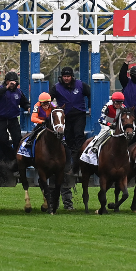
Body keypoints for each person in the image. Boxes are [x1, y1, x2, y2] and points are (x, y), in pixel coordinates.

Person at [48, 66, 91, 211]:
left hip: (79, 114)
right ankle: (69, 161)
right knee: (68, 138)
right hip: (65, 116)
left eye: (68, 76)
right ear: (62, 77)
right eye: (64, 76)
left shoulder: (81, 85)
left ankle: (76, 159)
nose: (66, 78)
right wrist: (55, 108)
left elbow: (90, 93)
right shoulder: (56, 87)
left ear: (72, 76)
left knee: (79, 137)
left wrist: (90, 107)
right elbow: (49, 99)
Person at [0, 71, 30, 167]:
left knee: (18, 139)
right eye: (10, 82)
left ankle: (18, 159)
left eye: (14, 83)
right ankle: (11, 157)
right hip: (0, 119)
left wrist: (28, 107)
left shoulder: (18, 92)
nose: (12, 84)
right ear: (7, 81)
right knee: (3, 140)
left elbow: (24, 102)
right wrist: (7, 88)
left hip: (13, 118)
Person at [85, 92, 127, 156]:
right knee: (106, 131)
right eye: (116, 103)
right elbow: (101, 119)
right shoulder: (107, 106)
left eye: (120, 103)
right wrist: (109, 124)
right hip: (105, 123)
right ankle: (95, 146)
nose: (118, 105)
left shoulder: (123, 107)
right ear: (113, 101)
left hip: (115, 123)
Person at [17, 92, 55, 158]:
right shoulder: (37, 106)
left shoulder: (52, 105)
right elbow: (33, 118)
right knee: (35, 131)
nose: (46, 105)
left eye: (47, 103)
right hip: (39, 122)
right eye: (43, 103)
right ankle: (29, 142)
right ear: (40, 103)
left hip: (49, 122)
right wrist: (42, 122)